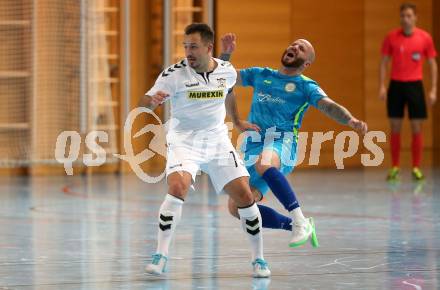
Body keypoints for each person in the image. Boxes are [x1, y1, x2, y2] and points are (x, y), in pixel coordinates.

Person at [140, 23, 270, 278]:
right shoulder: (173, 75)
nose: (188, 52)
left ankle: (259, 259)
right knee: (177, 187)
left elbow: (227, 92)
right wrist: (150, 103)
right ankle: (161, 254)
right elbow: (143, 102)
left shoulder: (226, 70)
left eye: (194, 47)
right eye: (185, 46)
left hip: (217, 140)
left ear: (208, 48)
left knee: (245, 195)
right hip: (184, 140)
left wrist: (237, 121)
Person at [219, 34, 368, 247]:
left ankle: (299, 218)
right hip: (253, 145)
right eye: (293, 45)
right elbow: (222, 78)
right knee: (237, 207)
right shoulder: (261, 74)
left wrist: (350, 120)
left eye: (301, 48)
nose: (295, 47)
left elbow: (328, 105)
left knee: (265, 163)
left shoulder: (306, 86)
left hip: (283, 143)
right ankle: (298, 225)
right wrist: (226, 53)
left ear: (306, 63)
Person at [379, 2, 437, 181]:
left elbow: (432, 64)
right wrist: (382, 85)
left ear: (415, 17)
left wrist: (434, 89)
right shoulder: (391, 38)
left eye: (409, 16)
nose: (405, 19)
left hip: (415, 86)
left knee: (416, 127)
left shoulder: (425, 38)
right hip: (396, 85)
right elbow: (383, 62)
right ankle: (395, 166)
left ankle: (416, 167)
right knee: (395, 126)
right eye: (403, 16)